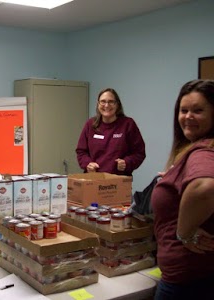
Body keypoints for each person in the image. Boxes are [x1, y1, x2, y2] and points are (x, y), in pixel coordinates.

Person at [151, 79, 214, 300]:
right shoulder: (194, 150)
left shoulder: (204, 150)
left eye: (198, 110)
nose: (188, 116)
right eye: (183, 110)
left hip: (188, 282)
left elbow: (204, 187)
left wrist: (184, 233)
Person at [76, 88, 146, 176]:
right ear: (98, 104)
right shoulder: (90, 124)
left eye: (111, 102)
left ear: (117, 105)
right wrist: (88, 164)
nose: (106, 105)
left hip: (119, 181)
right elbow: (81, 151)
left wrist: (127, 163)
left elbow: (139, 153)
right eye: (103, 101)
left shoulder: (128, 124)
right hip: (93, 179)